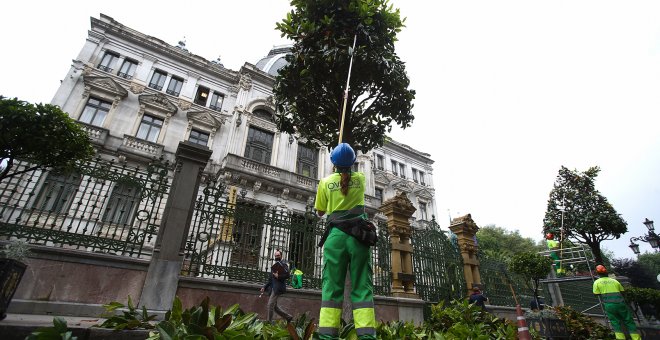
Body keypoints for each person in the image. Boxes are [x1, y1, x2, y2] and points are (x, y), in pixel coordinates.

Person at [315, 143, 376, 340]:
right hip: (358, 237)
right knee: (362, 286)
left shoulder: (325, 182)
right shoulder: (360, 178)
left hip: (335, 238)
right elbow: (348, 181)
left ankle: (327, 336)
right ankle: (366, 336)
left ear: (333, 162)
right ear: (352, 162)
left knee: (332, 287)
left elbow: (320, 212)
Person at [592, 265, 641, 340]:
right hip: (620, 303)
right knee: (628, 321)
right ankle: (636, 338)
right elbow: (622, 291)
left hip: (609, 305)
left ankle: (620, 338)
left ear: (597, 273)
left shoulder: (597, 282)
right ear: (606, 272)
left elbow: (596, 293)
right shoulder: (615, 281)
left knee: (615, 322)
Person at [260, 249, 293, 323]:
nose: (276, 257)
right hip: (272, 288)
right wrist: (264, 287)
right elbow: (270, 279)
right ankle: (288, 317)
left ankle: (268, 322)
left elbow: (288, 275)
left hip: (277, 288)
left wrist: (279, 276)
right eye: (275, 255)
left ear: (281, 256)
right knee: (275, 307)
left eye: (278, 255)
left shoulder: (283, 264)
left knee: (270, 305)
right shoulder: (274, 266)